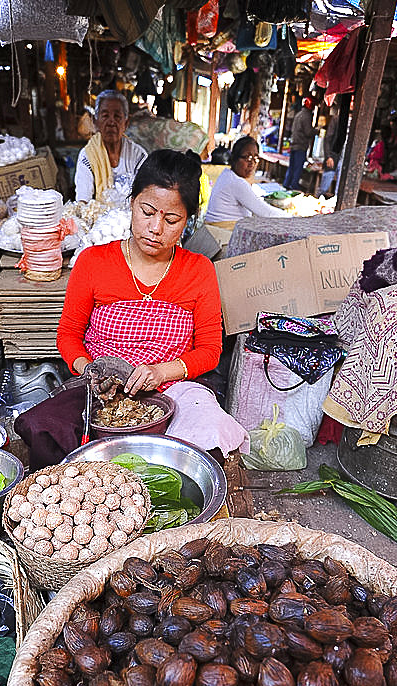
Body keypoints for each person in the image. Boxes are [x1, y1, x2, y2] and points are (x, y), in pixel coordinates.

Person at [55, 149, 248, 456]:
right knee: (46, 430)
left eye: (171, 219)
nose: (156, 228)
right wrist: (93, 371)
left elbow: (210, 351)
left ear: (187, 221)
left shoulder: (199, 270)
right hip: (100, 388)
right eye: (147, 212)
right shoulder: (93, 262)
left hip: (174, 389)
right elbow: (68, 336)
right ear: (132, 203)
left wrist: (161, 372)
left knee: (205, 440)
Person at [74, 89, 147, 203]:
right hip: (98, 219)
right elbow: (83, 201)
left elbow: (146, 196)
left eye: (117, 116)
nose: (111, 122)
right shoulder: (87, 156)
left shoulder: (138, 155)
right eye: (105, 115)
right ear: (96, 122)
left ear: (126, 123)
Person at [205, 136, 286, 224]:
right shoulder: (236, 182)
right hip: (222, 233)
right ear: (235, 158)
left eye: (255, 158)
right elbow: (266, 213)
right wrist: (292, 217)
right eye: (248, 158)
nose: (252, 164)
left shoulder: (227, 174)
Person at [283, 97, 315, 191]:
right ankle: (293, 185)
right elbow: (308, 132)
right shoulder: (307, 116)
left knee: (292, 166)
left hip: (294, 144)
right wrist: (317, 130)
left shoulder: (299, 114)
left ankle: (287, 183)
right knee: (298, 167)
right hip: (300, 145)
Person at [319, 105, 339, 198]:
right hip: (333, 157)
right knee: (324, 188)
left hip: (345, 160)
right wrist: (328, 156)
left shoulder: (357, 123)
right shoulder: (336, 119)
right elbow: (327, 139)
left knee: (339, 192)